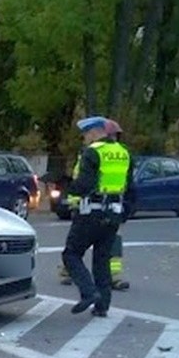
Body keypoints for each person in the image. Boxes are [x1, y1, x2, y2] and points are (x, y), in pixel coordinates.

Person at [61, 116, 133, 316]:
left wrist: (66, 186)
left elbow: (84, 185)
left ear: (94, 132)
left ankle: (89, 292)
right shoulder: (124, 152)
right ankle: (102, 307)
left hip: (91, 212)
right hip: (114, 214)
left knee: (71, 254)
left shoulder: (93, 152)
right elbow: (131, 189)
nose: (84, 138)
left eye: (85, 134)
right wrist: (123, 214)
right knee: (102, 260)